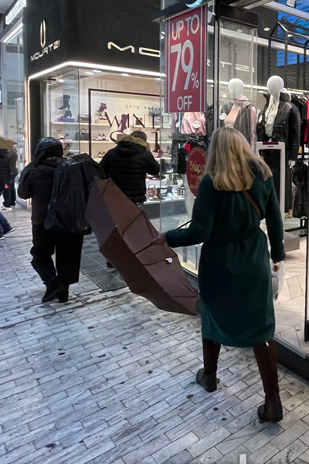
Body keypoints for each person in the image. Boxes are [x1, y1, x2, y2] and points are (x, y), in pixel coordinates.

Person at [154, 128, 286, 422]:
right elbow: (276, 220)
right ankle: (273, 401)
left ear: (215, 150)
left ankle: (210, 375)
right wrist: (277, 254)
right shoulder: (263, 176)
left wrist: (169, 237)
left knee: (212, 315)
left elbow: (199, 232)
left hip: (219, 260)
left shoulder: (211, 182)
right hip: (254, 258)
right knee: (261, 327)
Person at [17, 137, 83, 303]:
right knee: (68, 255)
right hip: (69, 219)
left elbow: (23, 193)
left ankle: (51, 282)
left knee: (40, 253)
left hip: (43, 220)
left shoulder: (34, 170)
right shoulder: (71, 168)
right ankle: (63, 288)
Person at [100, 131, 160, 206]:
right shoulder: (144, 154)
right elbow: (155, 170)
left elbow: (101, 170)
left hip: (115, 194)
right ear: (144, 141)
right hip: (136, 197)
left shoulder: (112, 152)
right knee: (135, 213)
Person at [0, 138, 18, 209]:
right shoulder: (13, 152)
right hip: (13, 172)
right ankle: (12, 202)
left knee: (7, 187)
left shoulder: (8, 153)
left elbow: (5, 162)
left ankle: (7, 204)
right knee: (11, 187)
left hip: (9, 172)